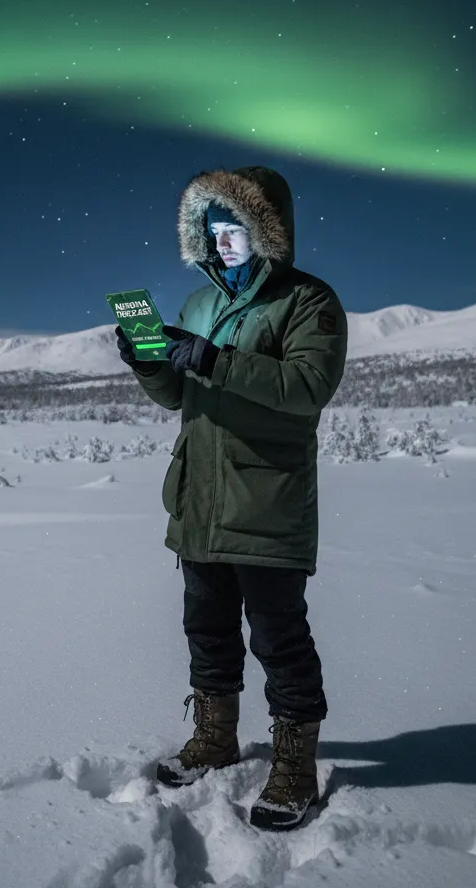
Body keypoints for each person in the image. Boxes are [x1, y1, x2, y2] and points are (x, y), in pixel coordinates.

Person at [114, 165, 347, 831]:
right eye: (212, 232)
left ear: (266, 231)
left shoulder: (308, 301)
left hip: (267, 502)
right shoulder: (197, 304)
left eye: (235, 229)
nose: (223, 243)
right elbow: (180, 397)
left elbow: (307, 387)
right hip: (201, 499)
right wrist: (152, 364)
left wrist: (213, 359)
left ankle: (294, 764)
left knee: (279, 639)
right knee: (207, 631)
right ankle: (215, 739)